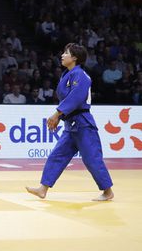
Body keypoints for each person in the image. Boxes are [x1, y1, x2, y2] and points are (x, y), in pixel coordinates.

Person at [26, 43, 114, 201]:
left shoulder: (81, 75)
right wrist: (61, 116)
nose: (62, 55)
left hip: (83, 124)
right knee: (57, 155)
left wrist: (57, 114)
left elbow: (76, 98)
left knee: (91, 158)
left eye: (66, 53)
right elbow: (67, 98)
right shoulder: (67, 75)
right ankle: (43, 188)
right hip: (71, 124)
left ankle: (108, 191)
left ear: (74, 58)